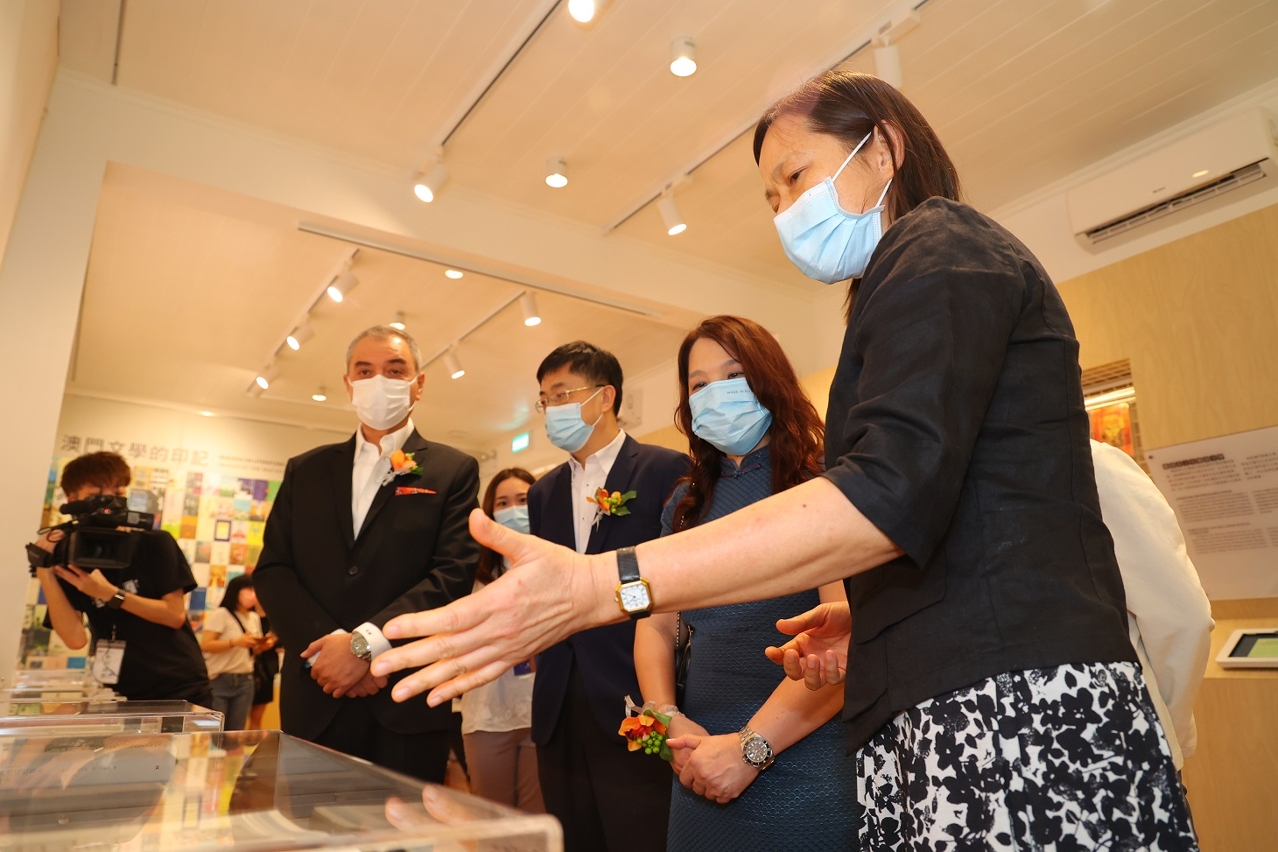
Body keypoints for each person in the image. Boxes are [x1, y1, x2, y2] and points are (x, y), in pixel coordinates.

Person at [371, 70, 1199, 850]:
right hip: (949, 706)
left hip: (1011, 710)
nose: (785, 212)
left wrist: (599, 584)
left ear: (882, 149)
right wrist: (868, 618)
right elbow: (957, 509)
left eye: (795, 177)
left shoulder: (939, 244)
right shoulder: (898, 286)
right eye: (771, 197)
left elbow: (884, 497)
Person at [634, 315, 855, 850]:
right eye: (699, 384)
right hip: (698, 753)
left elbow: (847, 638)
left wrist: (749, 749)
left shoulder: (825, 481)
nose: (717, 393)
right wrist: (668, 718)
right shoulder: (685, 505)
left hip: (805, 750)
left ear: (769, 378)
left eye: (734, 376)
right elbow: (655, 626)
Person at [255, 325, 480, 782]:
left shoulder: (453, 470)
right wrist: (329, 652)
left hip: (405, 698)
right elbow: (274, 570)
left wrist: (365, 646)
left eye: (395, 371)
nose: (379, 381)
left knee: (403, 822)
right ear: (348, 383)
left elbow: (451, 574)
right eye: (365, 371)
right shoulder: (306, 470)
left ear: (418, 383)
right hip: (316, 692)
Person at [525, 341, 687, 852]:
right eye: (545, 399)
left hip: (631, 692)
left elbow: (679, 581)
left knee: (639, 835)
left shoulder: (664, 469)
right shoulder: (543, 492)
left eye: (562, 394)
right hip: (558, 701)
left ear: (605, 396)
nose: (552, 408)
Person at [29, 451, 212, 706]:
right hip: (118, 693)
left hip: (180, 687)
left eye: (117, 493)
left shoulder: (154, 543)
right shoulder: (71, 559)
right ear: (72, 500)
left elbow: (174, 615)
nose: (108, 503)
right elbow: (75, 639)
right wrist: (45, 571)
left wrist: (108, 594)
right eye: (96, 494)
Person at [1090, 439, 1213, 770]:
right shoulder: (1091, 462)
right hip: (1131, 737)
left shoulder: (1093, 465)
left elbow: (1181, 618)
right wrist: (1172, 731)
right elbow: (1183, 617)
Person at [459, 467, 545, 813]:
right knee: (490, 818)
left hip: (542, 712)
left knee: (535, 819)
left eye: (523, 500)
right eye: (503, 503)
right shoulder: (472, 571)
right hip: (488, 713)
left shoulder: (558, 564)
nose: (514, 510)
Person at [201, 574, 268, 731]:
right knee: (214, 731)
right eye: (248, 589)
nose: (252, 594)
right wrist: (234, 642)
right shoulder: (222, 614)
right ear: (236, 591)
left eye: (255, 590)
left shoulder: (254, 617)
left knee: (236, 732)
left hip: (246, 679)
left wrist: (260, 646)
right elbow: (206, 645)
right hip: (220, 679)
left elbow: (252, 649)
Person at [248, 605, 280, 730]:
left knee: (258, 715)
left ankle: (253, 739)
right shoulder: (246, 614)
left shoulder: (275, 613)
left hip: (267, 668)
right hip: (247, 666)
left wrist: (273, 641)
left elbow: (284, 638)